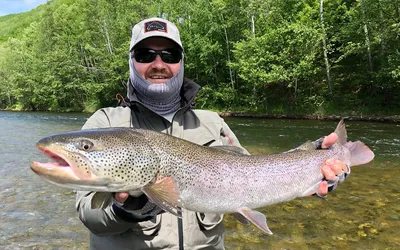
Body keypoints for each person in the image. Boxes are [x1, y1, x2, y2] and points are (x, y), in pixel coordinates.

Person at [76, 17, 349, 250]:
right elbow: (89, 214)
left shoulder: (211, 122)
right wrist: (125, 211)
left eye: (169, 56)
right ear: (131, 62)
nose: (158, 64)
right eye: (145, 55)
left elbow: (252, 176)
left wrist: (310, 164)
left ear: (181, 63)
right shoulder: (106, 124)